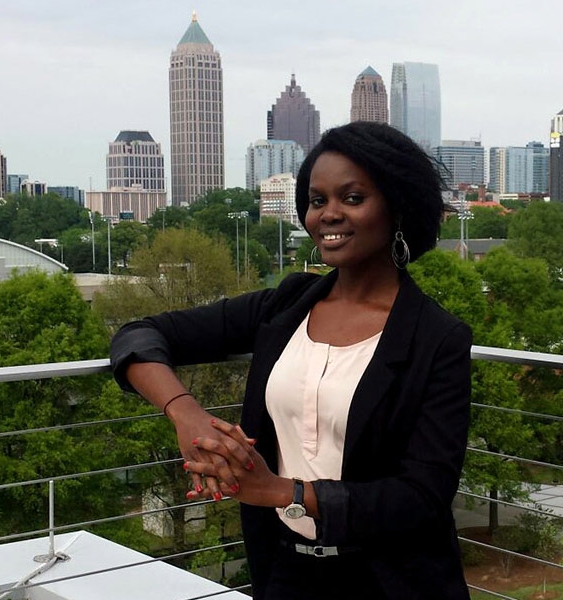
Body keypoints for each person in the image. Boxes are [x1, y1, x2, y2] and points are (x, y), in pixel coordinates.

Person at [110, 121, 473, 600]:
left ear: (397, 206)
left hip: (393, 580)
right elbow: (139, 335)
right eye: (318, 201)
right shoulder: (285, 307)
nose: (329, 215)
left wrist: (285, 492)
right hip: (284, 571)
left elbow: (423, 495)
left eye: (353, 198)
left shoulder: (436, 338)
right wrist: (187, 416)